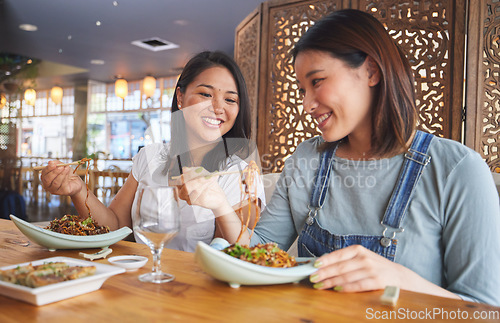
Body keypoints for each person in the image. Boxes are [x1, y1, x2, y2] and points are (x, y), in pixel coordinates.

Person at [178, 10, 500, 305]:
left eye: (317, 81)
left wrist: (399, 278)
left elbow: (485, 310)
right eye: (302, 88)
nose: (306, 104)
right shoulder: (306, 160)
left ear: (371, 71)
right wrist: (219, 203)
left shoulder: (458, 172)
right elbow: (261, 253)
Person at [40, 51, 265, 252]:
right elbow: (115, 226)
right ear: (180, 98)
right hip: (142, 281)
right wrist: (79, 190)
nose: (218, 107)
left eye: (230, 99)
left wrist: (220, 205)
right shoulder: (151, 156)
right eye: (206, 94)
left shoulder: (241, 174)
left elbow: (243, 253)